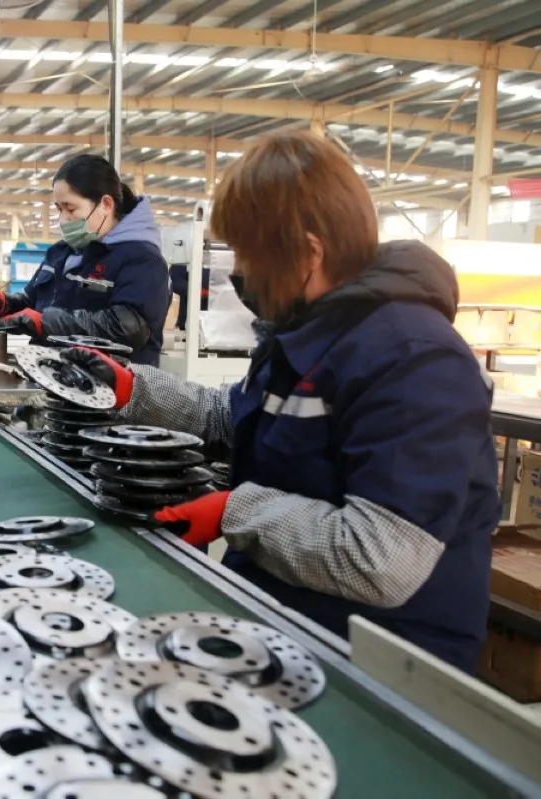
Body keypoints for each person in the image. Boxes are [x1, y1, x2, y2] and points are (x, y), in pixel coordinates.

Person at [62, 130, 497, 672]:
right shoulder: (310, 331)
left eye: (248, 251)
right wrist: (132, 388)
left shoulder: (415, 360)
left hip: (381, 658)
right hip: (283, 609)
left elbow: (380, 557)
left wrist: (233, 512)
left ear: (309, 253)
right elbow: (234, 417)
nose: (239, 271)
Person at [0, 154, 169, 365]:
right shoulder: (60, 253)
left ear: (106, 205)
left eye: (70, 208)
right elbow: (33, 302)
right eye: (58, 209)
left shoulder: (141, 259)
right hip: (52, 376)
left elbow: (128, 328)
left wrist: (46, 322)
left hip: (107, 389)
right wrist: (4, 305)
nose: (63, 219)